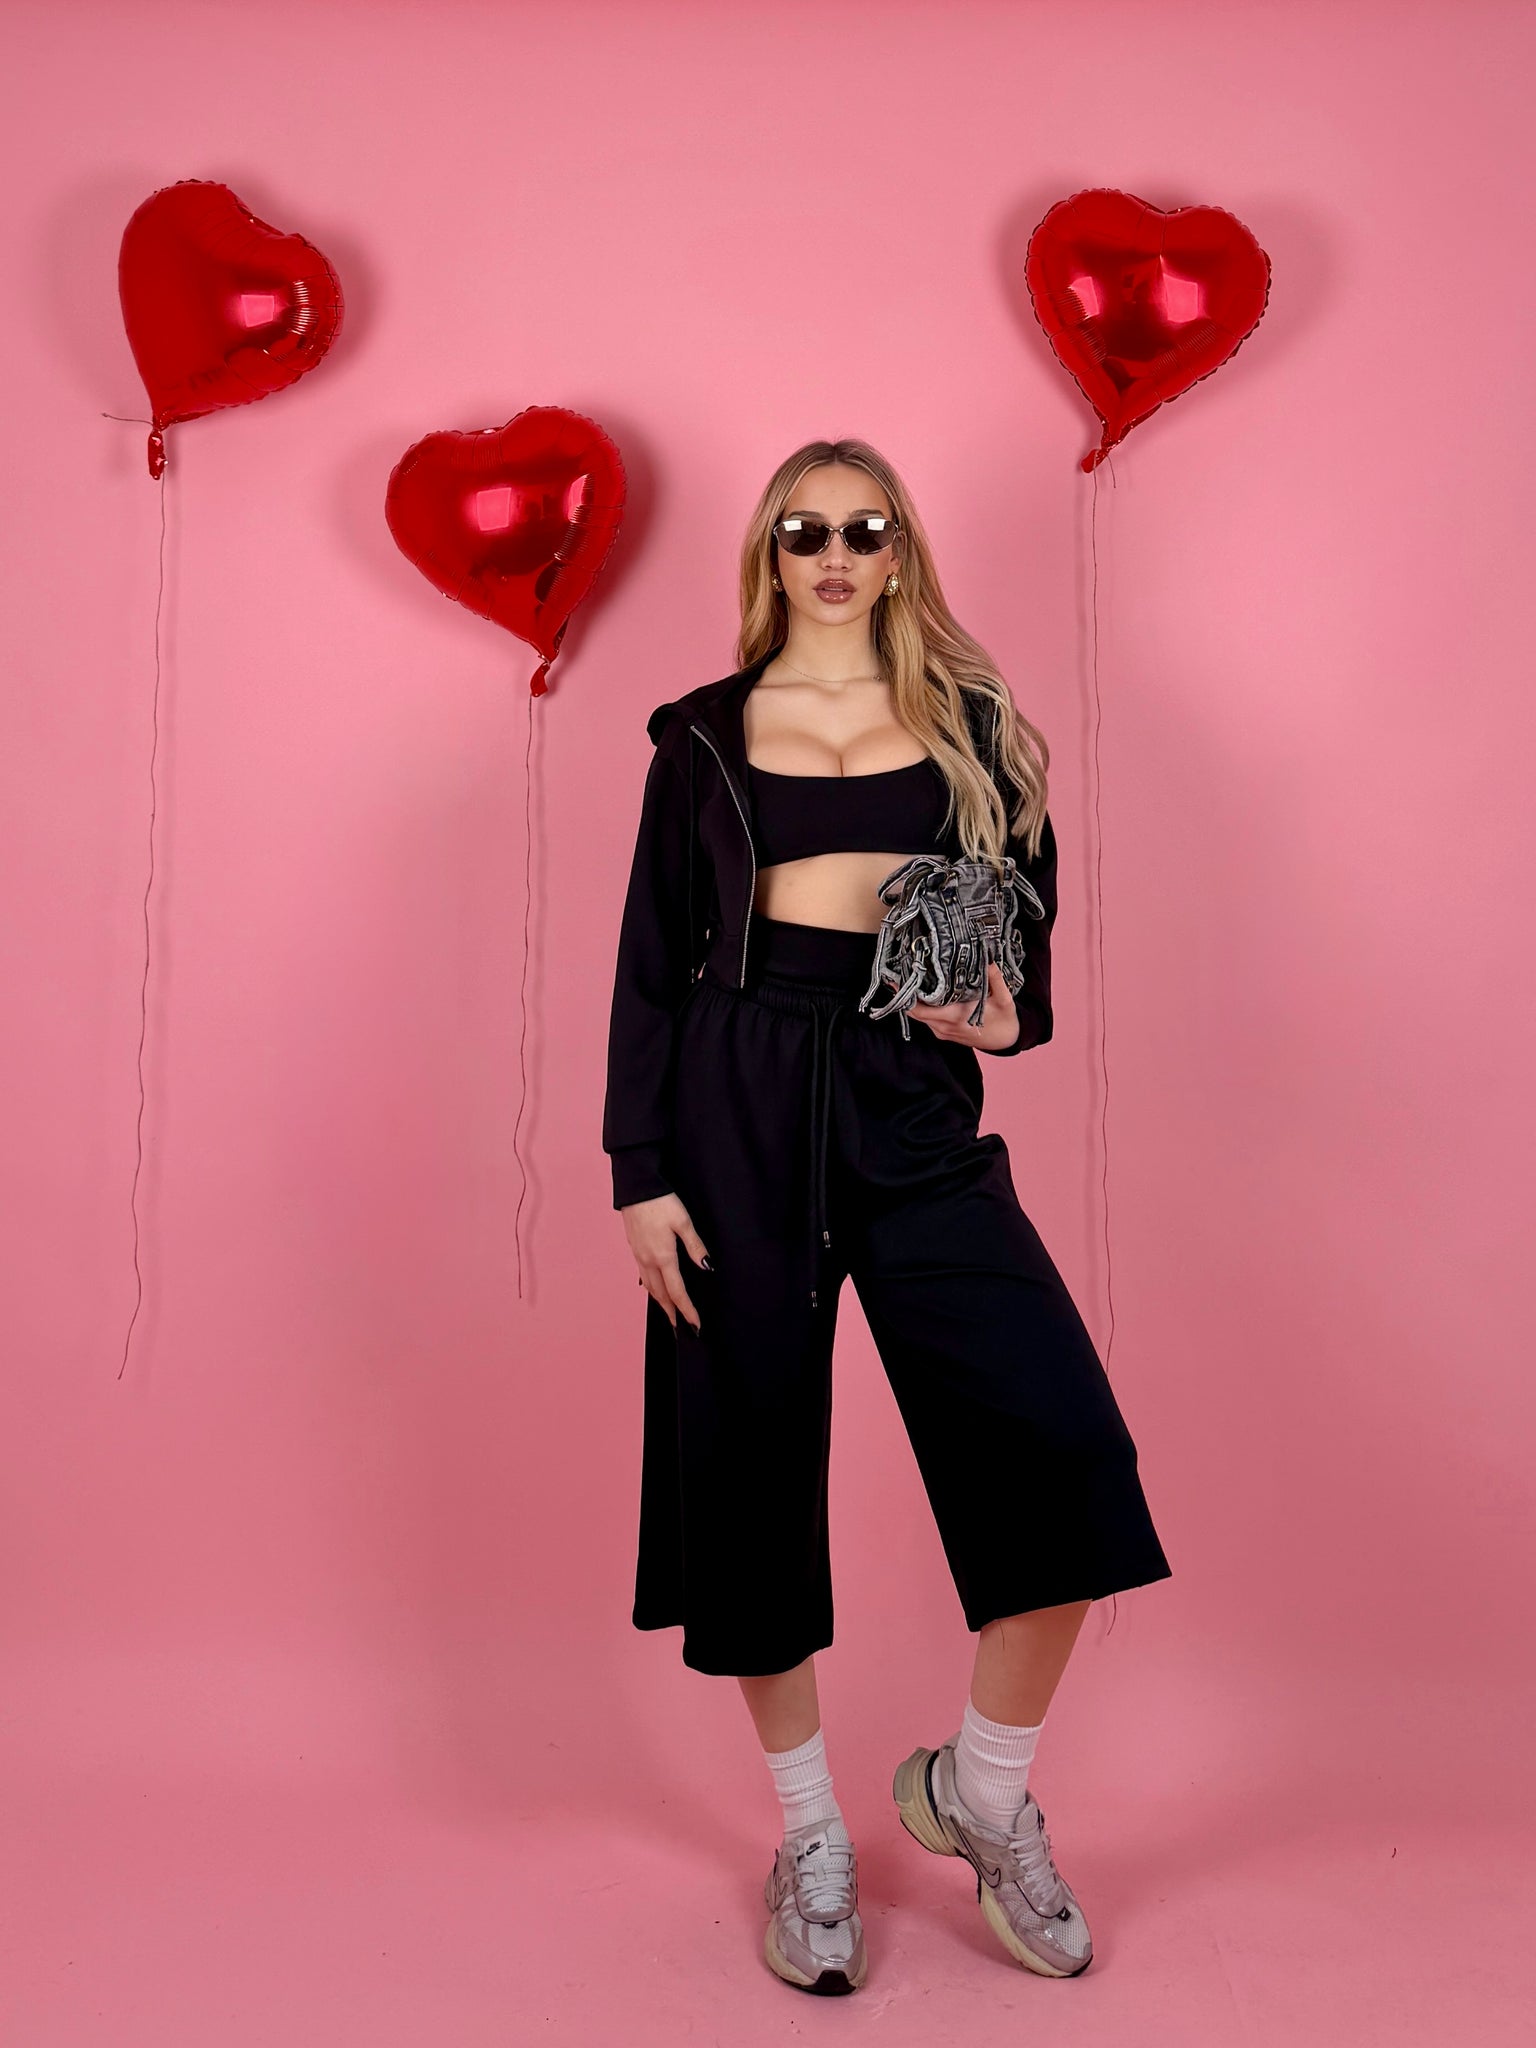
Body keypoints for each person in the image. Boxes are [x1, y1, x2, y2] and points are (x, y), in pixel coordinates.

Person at [602, 437, 1172, 1994]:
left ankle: (981, 1794)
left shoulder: (973, 725)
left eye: (865, 528)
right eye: (805, 531)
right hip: (731, 1100)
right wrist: (639, 1170)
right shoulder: (704, 736)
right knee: (746, 1466)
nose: (836, 554)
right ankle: (809, 1836)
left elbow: (1023, 947)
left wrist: (1002, 1019)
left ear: (902, 549)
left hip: (910, 1102)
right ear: (770, 555)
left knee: (1060, 1443)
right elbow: (652, 960)